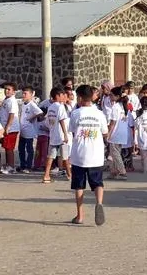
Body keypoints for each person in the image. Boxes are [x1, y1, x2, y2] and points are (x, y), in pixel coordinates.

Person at [68, 84, 108, 226]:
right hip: (96, 154)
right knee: (98, 183)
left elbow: (73, 131)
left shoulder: (76, 114)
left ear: (79, 98)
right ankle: (99, 203)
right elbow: (105, 132)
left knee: (79, 186)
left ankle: (80, 215)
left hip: (79, 154)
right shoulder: (99, 114)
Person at [43, 87, 71, 184]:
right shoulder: (60, 107)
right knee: (65, 157)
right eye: (62, 95)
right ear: (58, 96)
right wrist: (65, 134)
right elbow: (62, 120)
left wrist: (52, 128)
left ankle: (46, 175)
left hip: (53, 135)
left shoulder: (50, 107)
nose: (64, 97)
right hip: (61, 135)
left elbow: (47, 122)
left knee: (50, 156)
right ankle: (69, 175)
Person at [106, 87, 132, 179]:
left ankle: (122, 172)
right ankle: (114, 172)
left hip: (115, 133)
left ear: (117, 96)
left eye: (111, 95)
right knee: (114, 153)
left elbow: (113, 122)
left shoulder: (116, 107)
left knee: (115, 154)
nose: (109, 97)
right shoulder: (123, 106)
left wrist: (108, 134)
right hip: (122, 132)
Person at [0, 82, 20, 174]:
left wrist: (8, 127)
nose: (6, 91)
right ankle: (7, 165)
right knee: (6, 147)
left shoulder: (12, 101)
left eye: (9, 89)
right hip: (4, 127)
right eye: (5, 89)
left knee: (9, 148)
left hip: (11, 128)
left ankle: (11, 167)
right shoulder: (6, 100)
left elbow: (12, 115)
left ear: (13, 92)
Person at [18, 86, 41, 173]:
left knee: (29, 149)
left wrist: (32, 117)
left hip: (29, 131)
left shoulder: (32, 104)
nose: (23, 95)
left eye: (25, 93)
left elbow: (40, 112)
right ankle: (22, 165)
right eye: (23, 93)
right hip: (22, 130)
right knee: (21, 149)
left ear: (31, 95)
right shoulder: (23, 104)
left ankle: (29, 166)